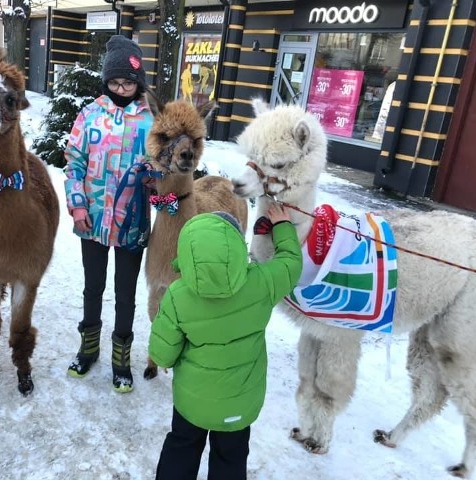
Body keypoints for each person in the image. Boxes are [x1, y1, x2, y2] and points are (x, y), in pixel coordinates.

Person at [149, 205, 303, 479]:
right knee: (230, 458)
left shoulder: (177, 295)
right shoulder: (263, 283)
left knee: (181, 449)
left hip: (191, 404)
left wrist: (166, 359)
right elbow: (291, 262)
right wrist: (282, 227)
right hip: (239, 406)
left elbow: (163, 354)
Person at [64, 35, 154, 393]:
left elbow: (163, 170)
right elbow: (74, 164)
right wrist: (77, 206)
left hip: (132, 223)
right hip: (93, 220)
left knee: (125, 293)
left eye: (128, 82)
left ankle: (121, 359)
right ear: (106, 81)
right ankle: (88, 350)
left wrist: (159, 187)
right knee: (93, 288)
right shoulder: (89, 115)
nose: (122, 88)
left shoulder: (151, 120)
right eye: (115, 82)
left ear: (138, 82)